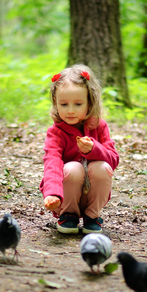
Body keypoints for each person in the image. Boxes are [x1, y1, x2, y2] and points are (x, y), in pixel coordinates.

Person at [39, 64, 119, 234]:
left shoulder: (99, 126)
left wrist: (93, 149)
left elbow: (113, 160)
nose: (70, 110)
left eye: (77, 104)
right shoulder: (56, 132)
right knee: (72, 167)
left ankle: (93, 216)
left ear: (90, 102)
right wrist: (52, 193)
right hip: (64, 196)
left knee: (102, 166)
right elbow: (52, 162)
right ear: (55, 103)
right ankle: (68, 216)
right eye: (64, 104)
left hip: (93, 195)